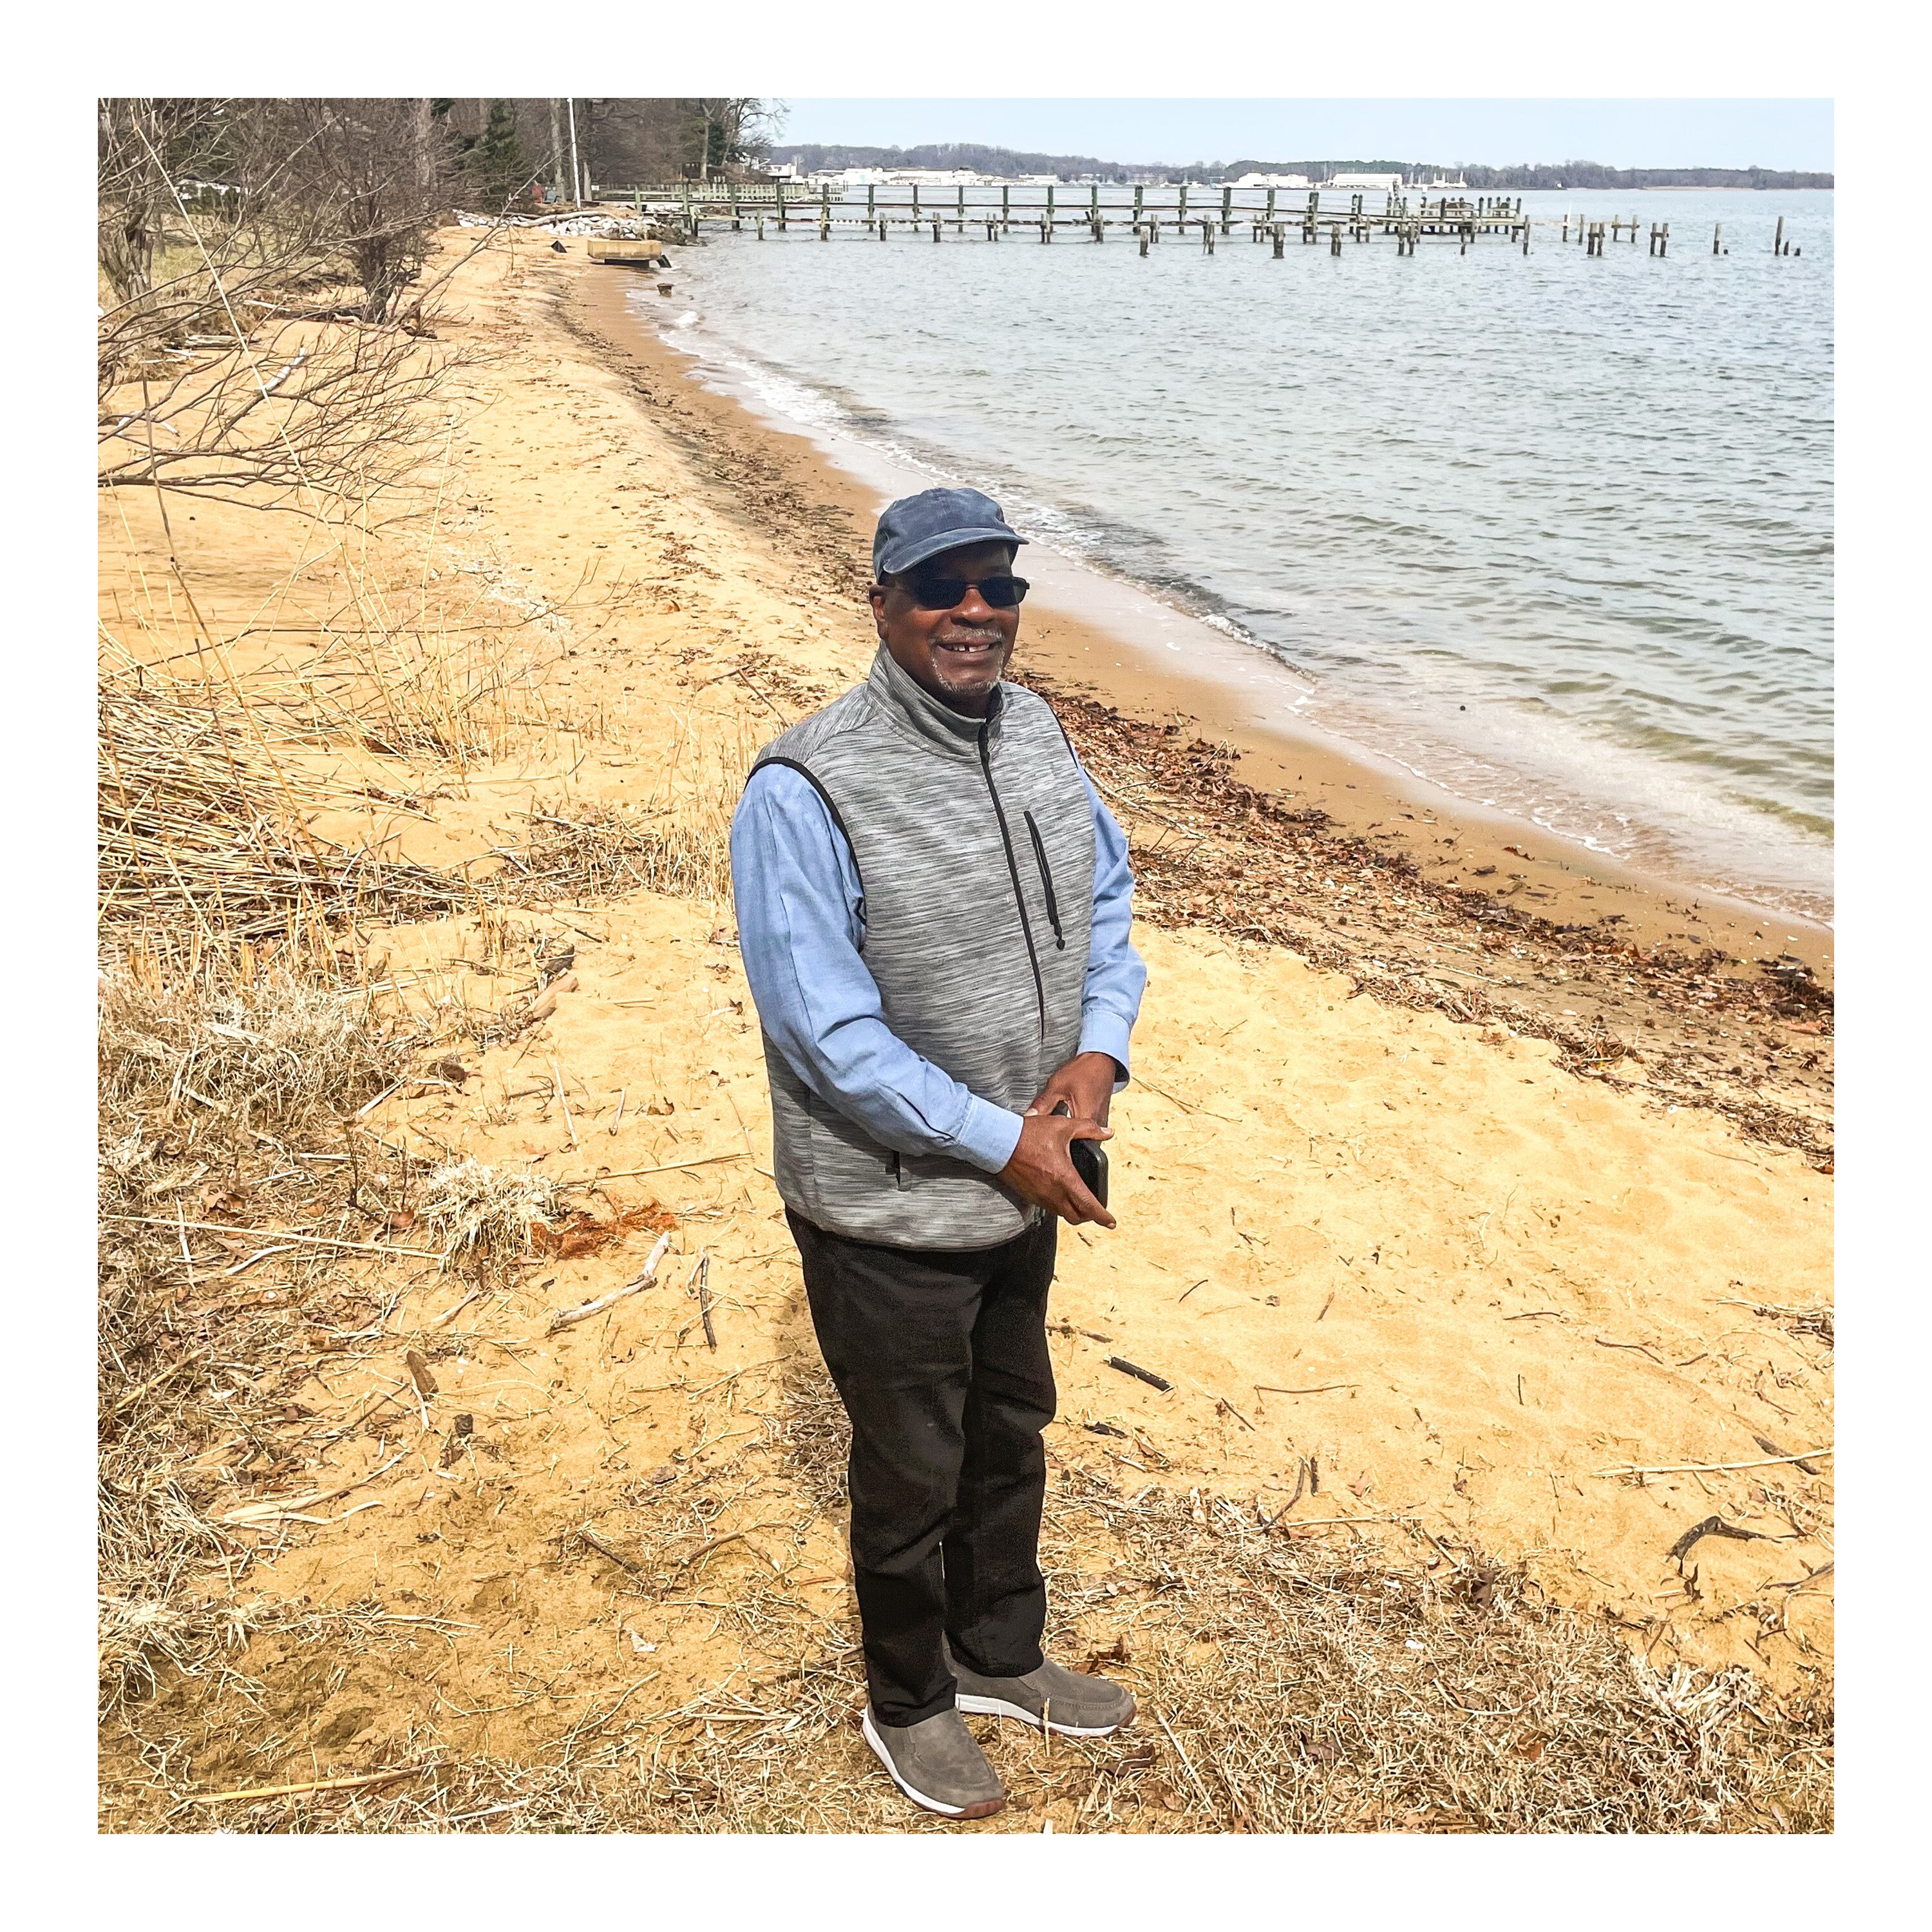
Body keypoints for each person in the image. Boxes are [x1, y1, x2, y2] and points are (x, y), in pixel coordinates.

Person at [729, 486, 1148, 1819]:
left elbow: (1108, 896)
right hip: (889, 1204)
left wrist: (1099, 1050)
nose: (976, 612)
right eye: (942, 587)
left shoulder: (1037, 731)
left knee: (1011, 1427)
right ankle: (908, 1700)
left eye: (1000, 586)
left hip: (1039, 1167)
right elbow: (825, 1034)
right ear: (883, 605)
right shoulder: (807, 785)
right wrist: (999, 1143)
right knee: (912, 1466)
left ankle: (998, 1656)